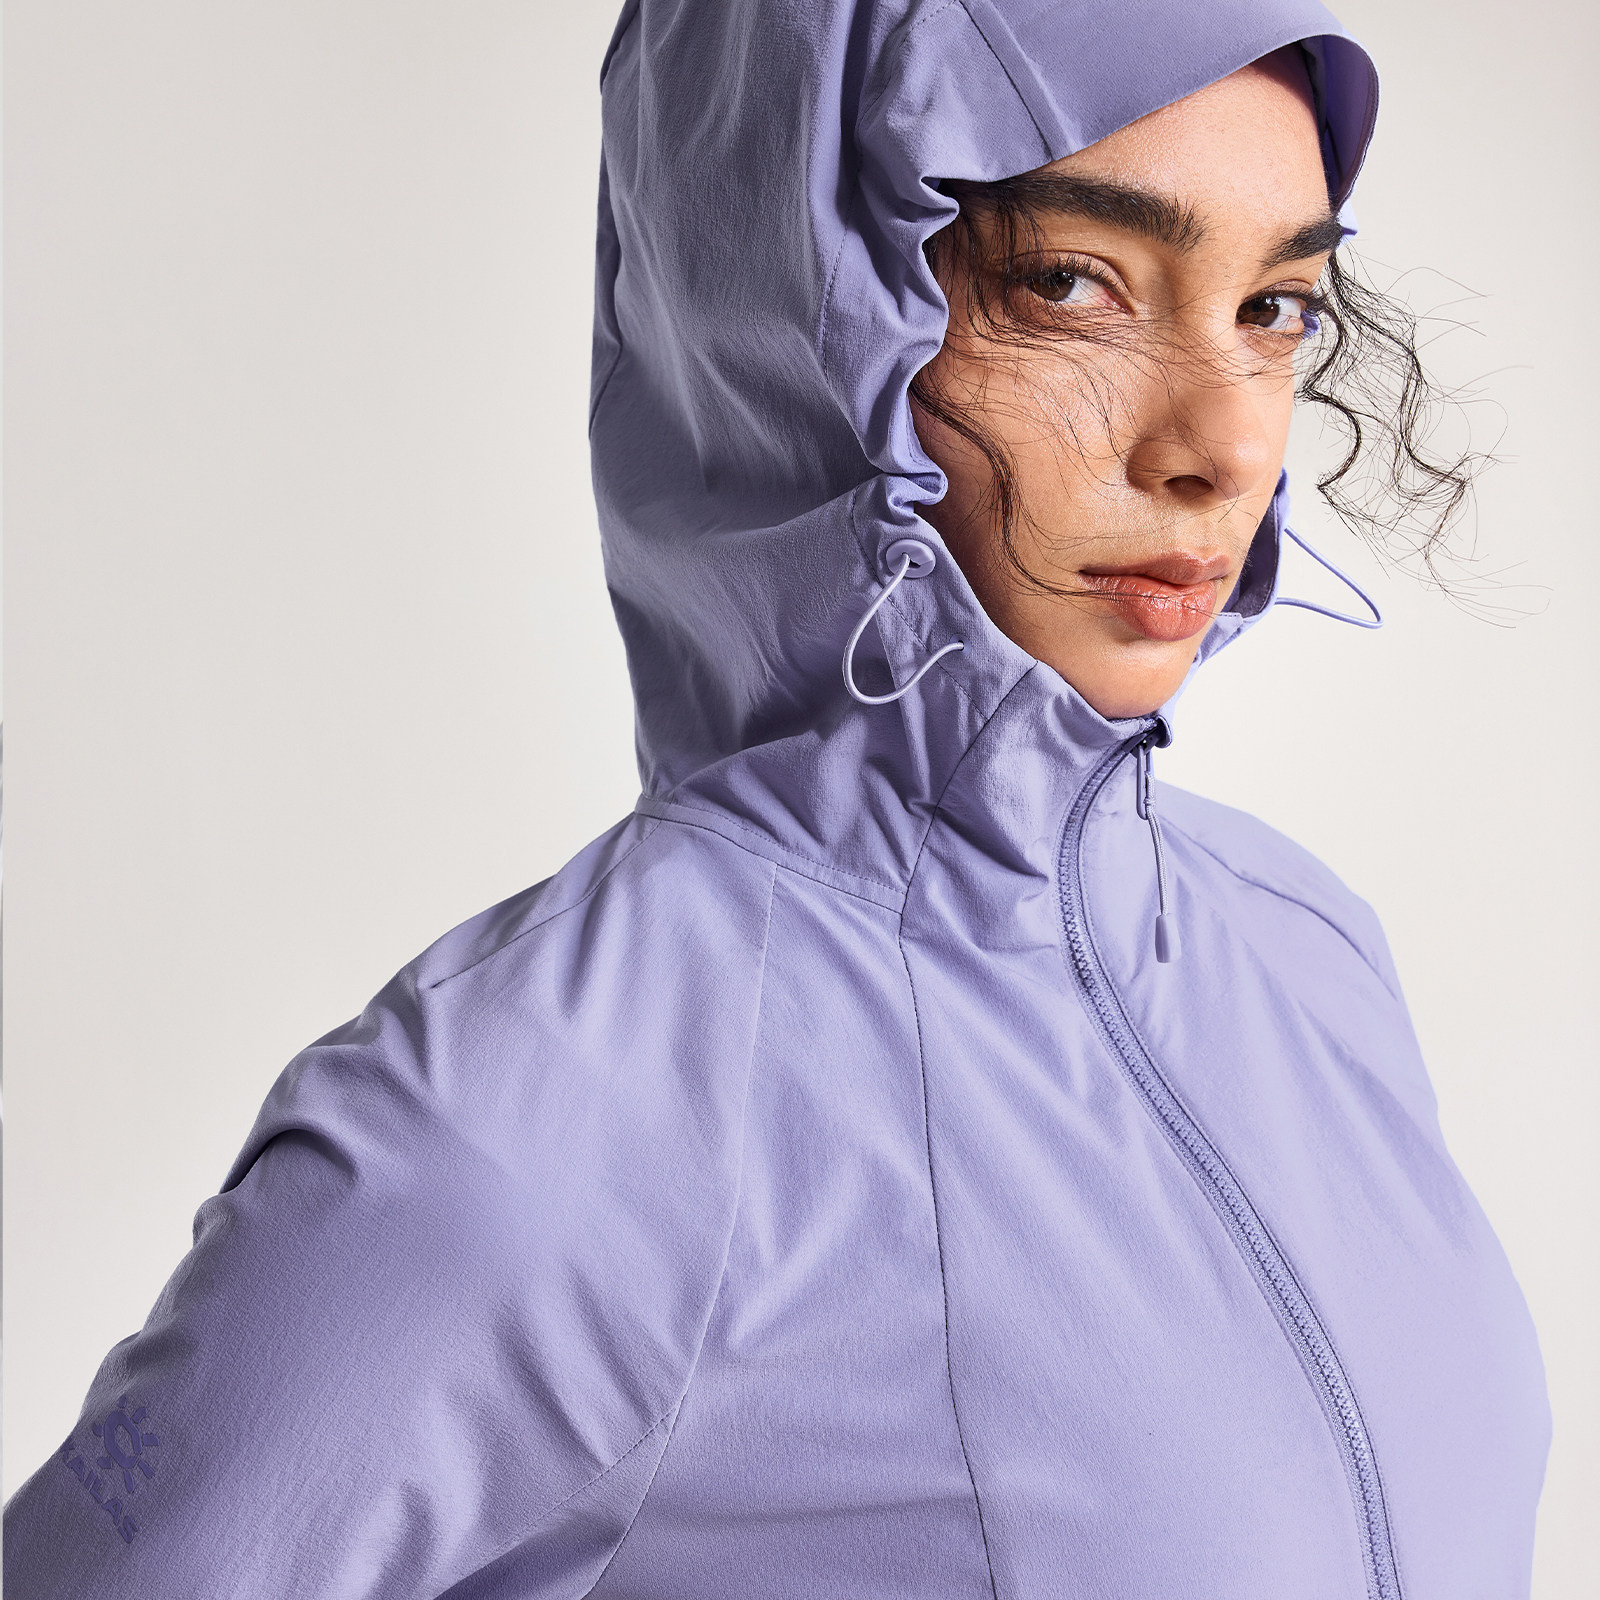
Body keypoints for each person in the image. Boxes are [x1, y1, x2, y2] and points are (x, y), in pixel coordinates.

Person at [5, 0, 1550, 1594]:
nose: (1222, 444)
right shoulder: (536, 1122)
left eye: (1274, 307)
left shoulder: (1305, 951)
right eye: (1071, 285)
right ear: (793, 307)